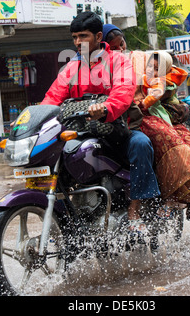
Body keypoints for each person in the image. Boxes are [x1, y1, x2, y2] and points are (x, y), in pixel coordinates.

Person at [41, 12, 160, 230]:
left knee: (141, 144)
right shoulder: (70, 69)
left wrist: (106, 109)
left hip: (117, 128)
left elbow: (124, 92)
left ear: (98, 37)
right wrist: (33, 118)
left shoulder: (118, 62)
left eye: (83, 36)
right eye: (74, 37)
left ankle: (135, 211)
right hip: (81, 131)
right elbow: (52, 98)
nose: (78, 42)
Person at [103, 24, 190, 225]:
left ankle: (187, 202)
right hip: (131, 119)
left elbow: (161, 84)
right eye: (113, 46)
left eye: (121, 44)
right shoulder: (99, 68)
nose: (119, 49)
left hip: (150, 116)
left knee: (185, 140)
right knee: (163, 138)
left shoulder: (139, 61)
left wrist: (151, 100)